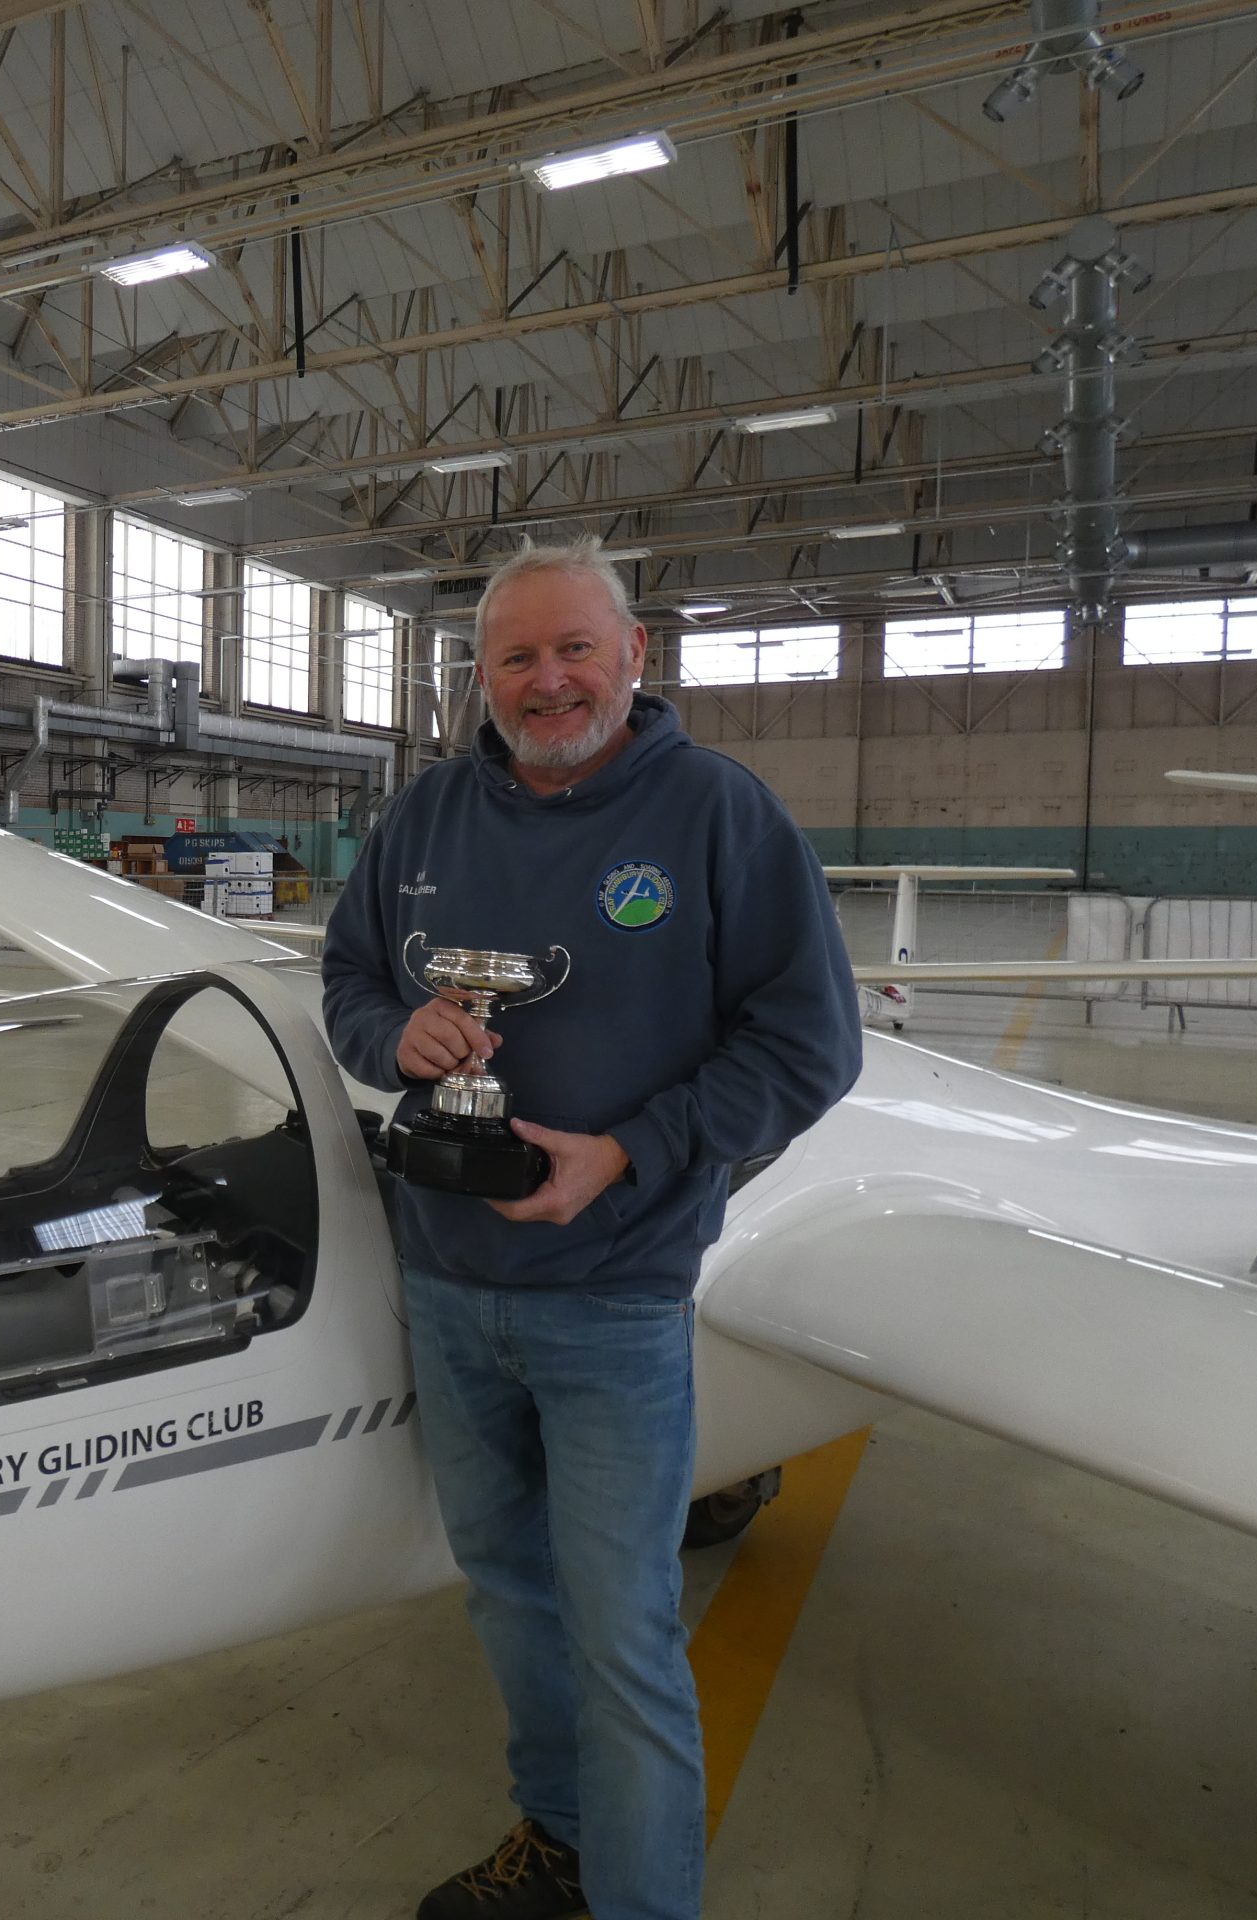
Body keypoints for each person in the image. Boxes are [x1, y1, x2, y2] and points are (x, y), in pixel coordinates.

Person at [321, 537, 862, 1920]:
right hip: (447, 1287)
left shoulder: (718, 814)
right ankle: (561, 1843)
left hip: (615, 1295)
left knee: (623, 1635)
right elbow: (350, 981)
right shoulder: (426, 817)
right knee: (507, 1590)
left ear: (633, 655)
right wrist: (399, 1035)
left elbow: (811, 1046)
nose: (547, 680)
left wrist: (631, 1151)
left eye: (575, 649)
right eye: (517, 657)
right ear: (481, 676)